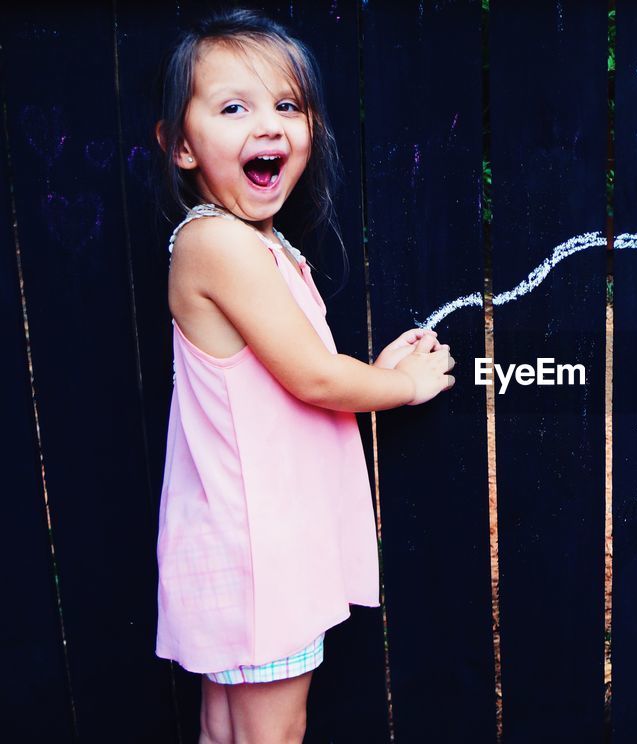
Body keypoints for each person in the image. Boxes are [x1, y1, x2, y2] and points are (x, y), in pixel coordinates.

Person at [152, 8, 453, 743]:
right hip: (260, 557)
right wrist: (405, 385)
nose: (269, 125)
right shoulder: (218, 242)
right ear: (180, 145)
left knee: (229, 734)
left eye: (288, 105)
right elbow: (313, 381)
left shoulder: (262, 242)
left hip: (250, 545)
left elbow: (293, 367)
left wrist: (368, 370)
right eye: (233, 107)